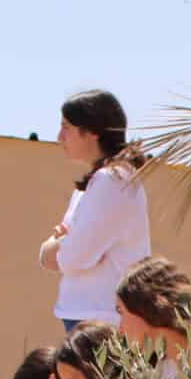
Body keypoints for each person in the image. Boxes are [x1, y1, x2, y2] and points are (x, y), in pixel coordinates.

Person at [37, 89, 151, 331]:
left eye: (66, 127)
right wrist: (64, 244)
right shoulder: (93, 185)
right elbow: (61, 255)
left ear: (92, 131)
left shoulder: (112, 181)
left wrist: (60, 244)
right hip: (90, 315)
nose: (59, 137)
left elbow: (74, 257)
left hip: (103, 319)